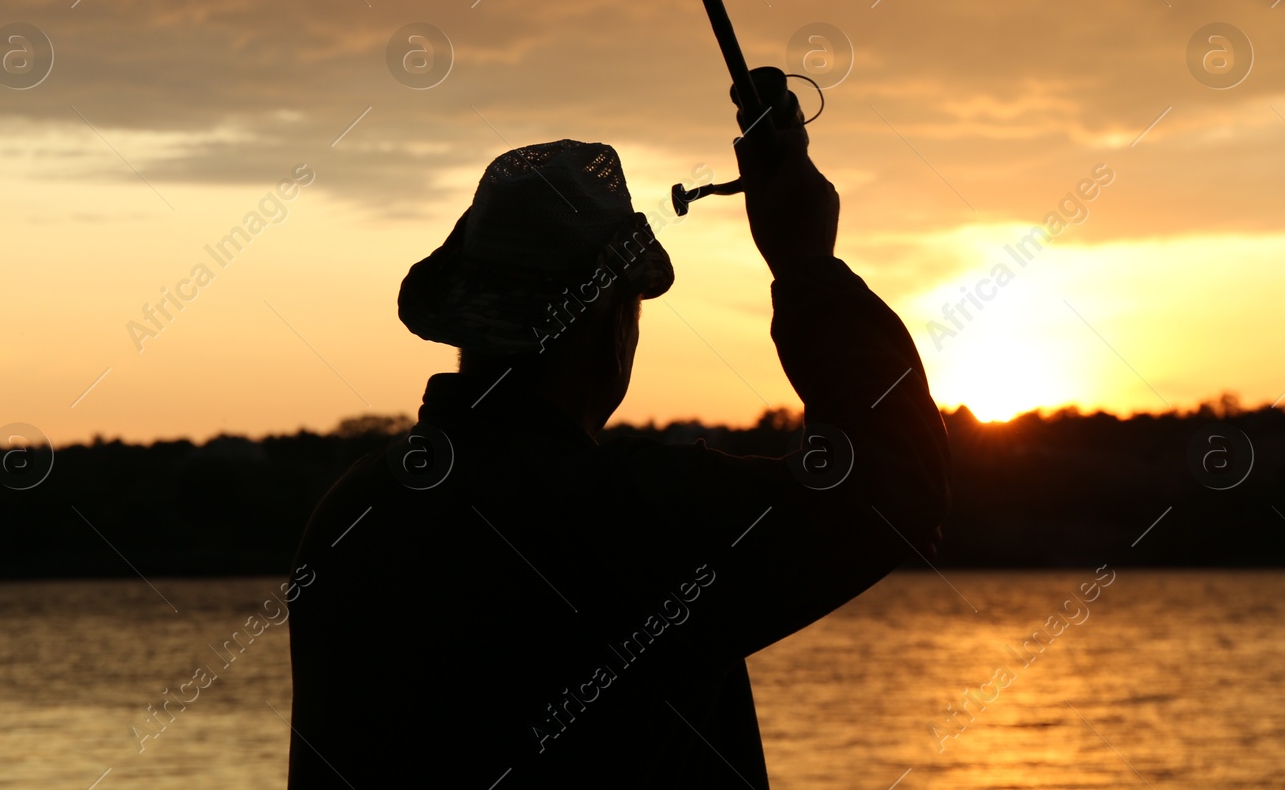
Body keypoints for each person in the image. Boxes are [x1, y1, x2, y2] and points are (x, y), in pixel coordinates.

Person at [287, 125, 950, 788]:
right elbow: (893, 487)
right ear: (612, 321)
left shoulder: (351, 516)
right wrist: (807, 264)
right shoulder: (630, 515)